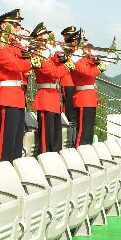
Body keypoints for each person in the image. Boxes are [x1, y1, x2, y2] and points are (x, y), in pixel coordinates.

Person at [0, 9, 41, 162]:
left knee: (17, 141)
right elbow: (15, 65)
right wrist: (31, 62)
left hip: (19, 95)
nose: (18, 28)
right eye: (15, 25)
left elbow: (25, 60)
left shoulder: (14, 45)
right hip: (9, 95)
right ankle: (2, 173)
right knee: (7, 141)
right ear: (4, 25)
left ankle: (13, 170)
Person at [30, 23, 73, 154]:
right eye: (44, 35)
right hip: (45, 97)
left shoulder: (49, 54)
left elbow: (60, 61)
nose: (48, 37)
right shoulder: (38, 55)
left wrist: (67, 54)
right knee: (46, 139)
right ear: (38, 39)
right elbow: (55, 73)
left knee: (56, 139)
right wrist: (69, 64)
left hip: (54, 97)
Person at [68, 33, 106, 147]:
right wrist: (99, 67)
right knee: (83, 132)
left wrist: (95, 58)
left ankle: (86, 153)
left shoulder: (83, 60)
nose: (86, 48)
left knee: (89, 132)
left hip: (90, 99)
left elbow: (92, 63)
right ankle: (79, 152)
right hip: (83, 98)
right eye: (83, 45)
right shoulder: (75, 60)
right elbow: (89, 73)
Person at [60, 26, 79, 127]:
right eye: (70, 36)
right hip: (67, 82)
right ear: (65, 36)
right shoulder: (63, 48)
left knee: (75, 109)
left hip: (76, 82)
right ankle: (67, 126)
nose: (73, 39)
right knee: (68, 109)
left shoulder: (76, 48)